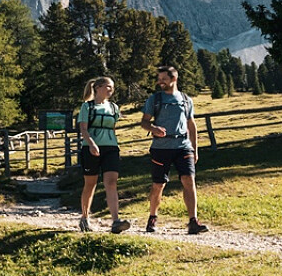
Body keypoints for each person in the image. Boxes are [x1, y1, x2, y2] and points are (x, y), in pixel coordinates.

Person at [140, 65, 208, 234]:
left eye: (163, 79)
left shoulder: (186, 100)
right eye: (159, 79)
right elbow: (144, 122)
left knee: (188, 180)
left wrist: (195, 149)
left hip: (183, 147)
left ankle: (193, 221)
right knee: (158, 184)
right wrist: (153, 128)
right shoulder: (154, 99)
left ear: (174, 79)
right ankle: (152, 217)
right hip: (161, 148)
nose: (160, 82)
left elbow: (191, 125)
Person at [77, 76, 131, 233]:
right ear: (98, 87)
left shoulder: (114, 107)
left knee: (111, 182)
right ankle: (85, 217)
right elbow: (83, 129)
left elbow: (112, 128)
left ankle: (116, 221)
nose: (111, 90)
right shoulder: (87, 107)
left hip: (111, 148)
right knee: (90, 183)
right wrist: (92, 144)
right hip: (91, 148)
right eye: (108, 87)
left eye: (112, 87)